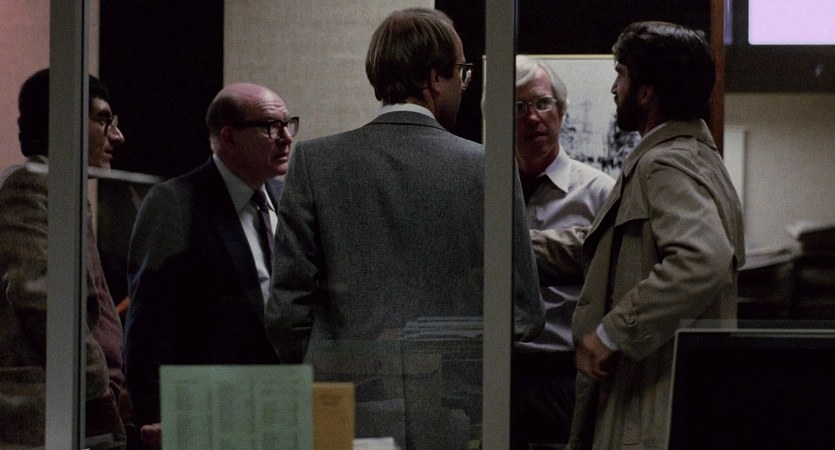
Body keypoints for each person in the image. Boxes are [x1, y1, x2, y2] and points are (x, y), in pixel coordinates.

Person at [265, 8, 543, 449]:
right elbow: (524, 312)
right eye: (462, 72)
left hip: (347, 412)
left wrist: (332, 370)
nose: (464, 85)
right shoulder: (487, 168)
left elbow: (286, 314)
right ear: (435, 78)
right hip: (462, 415)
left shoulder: (315, 163)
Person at [530, 22, 745, 449]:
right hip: (660, 401)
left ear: (646, 93)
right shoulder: (691, 157)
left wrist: (611, 334)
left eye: (621, 75)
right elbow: (608, 250)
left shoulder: (665, 163)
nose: (614, 88)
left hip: (651, 409)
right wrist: (516, 247)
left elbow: (702, 259)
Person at [124, 83, 293, 449]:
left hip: (282, 407)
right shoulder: (174, 202)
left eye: (288, 123)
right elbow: (146, 329)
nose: (286, 137)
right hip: (207, 414)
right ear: (228, 137)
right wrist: (154, 420)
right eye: (271, 126)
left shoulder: (287, 199)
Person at [0, 69, 126, 447]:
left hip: (75, 404)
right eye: (104, 120)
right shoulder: (31, 184)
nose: (117, 136)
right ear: (66, 120)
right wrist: (96, 393)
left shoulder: (62, 189)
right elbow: (43, 299)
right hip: (50, 413)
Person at [510, 55, 615, 449]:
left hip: (566, 371)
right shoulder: (484, 190)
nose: (532, 117)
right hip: (498, 369)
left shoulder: (599, 193)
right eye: (518, 107)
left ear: (562, 111)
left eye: (542, 103)